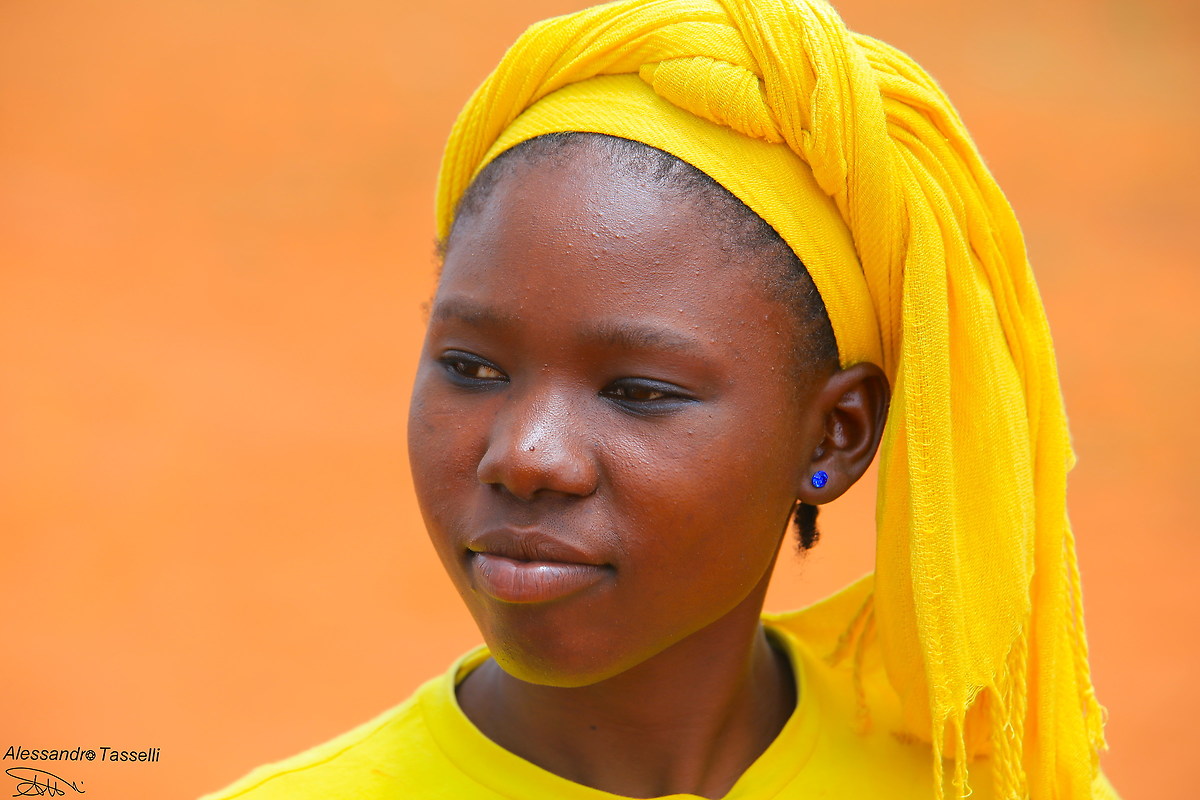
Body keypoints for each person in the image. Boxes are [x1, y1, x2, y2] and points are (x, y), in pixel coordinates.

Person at [201, 0, 1118, 797]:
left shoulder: (979, 785)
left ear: (836, 435)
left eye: (638, 391)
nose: (524, 455)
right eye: (473, 368)